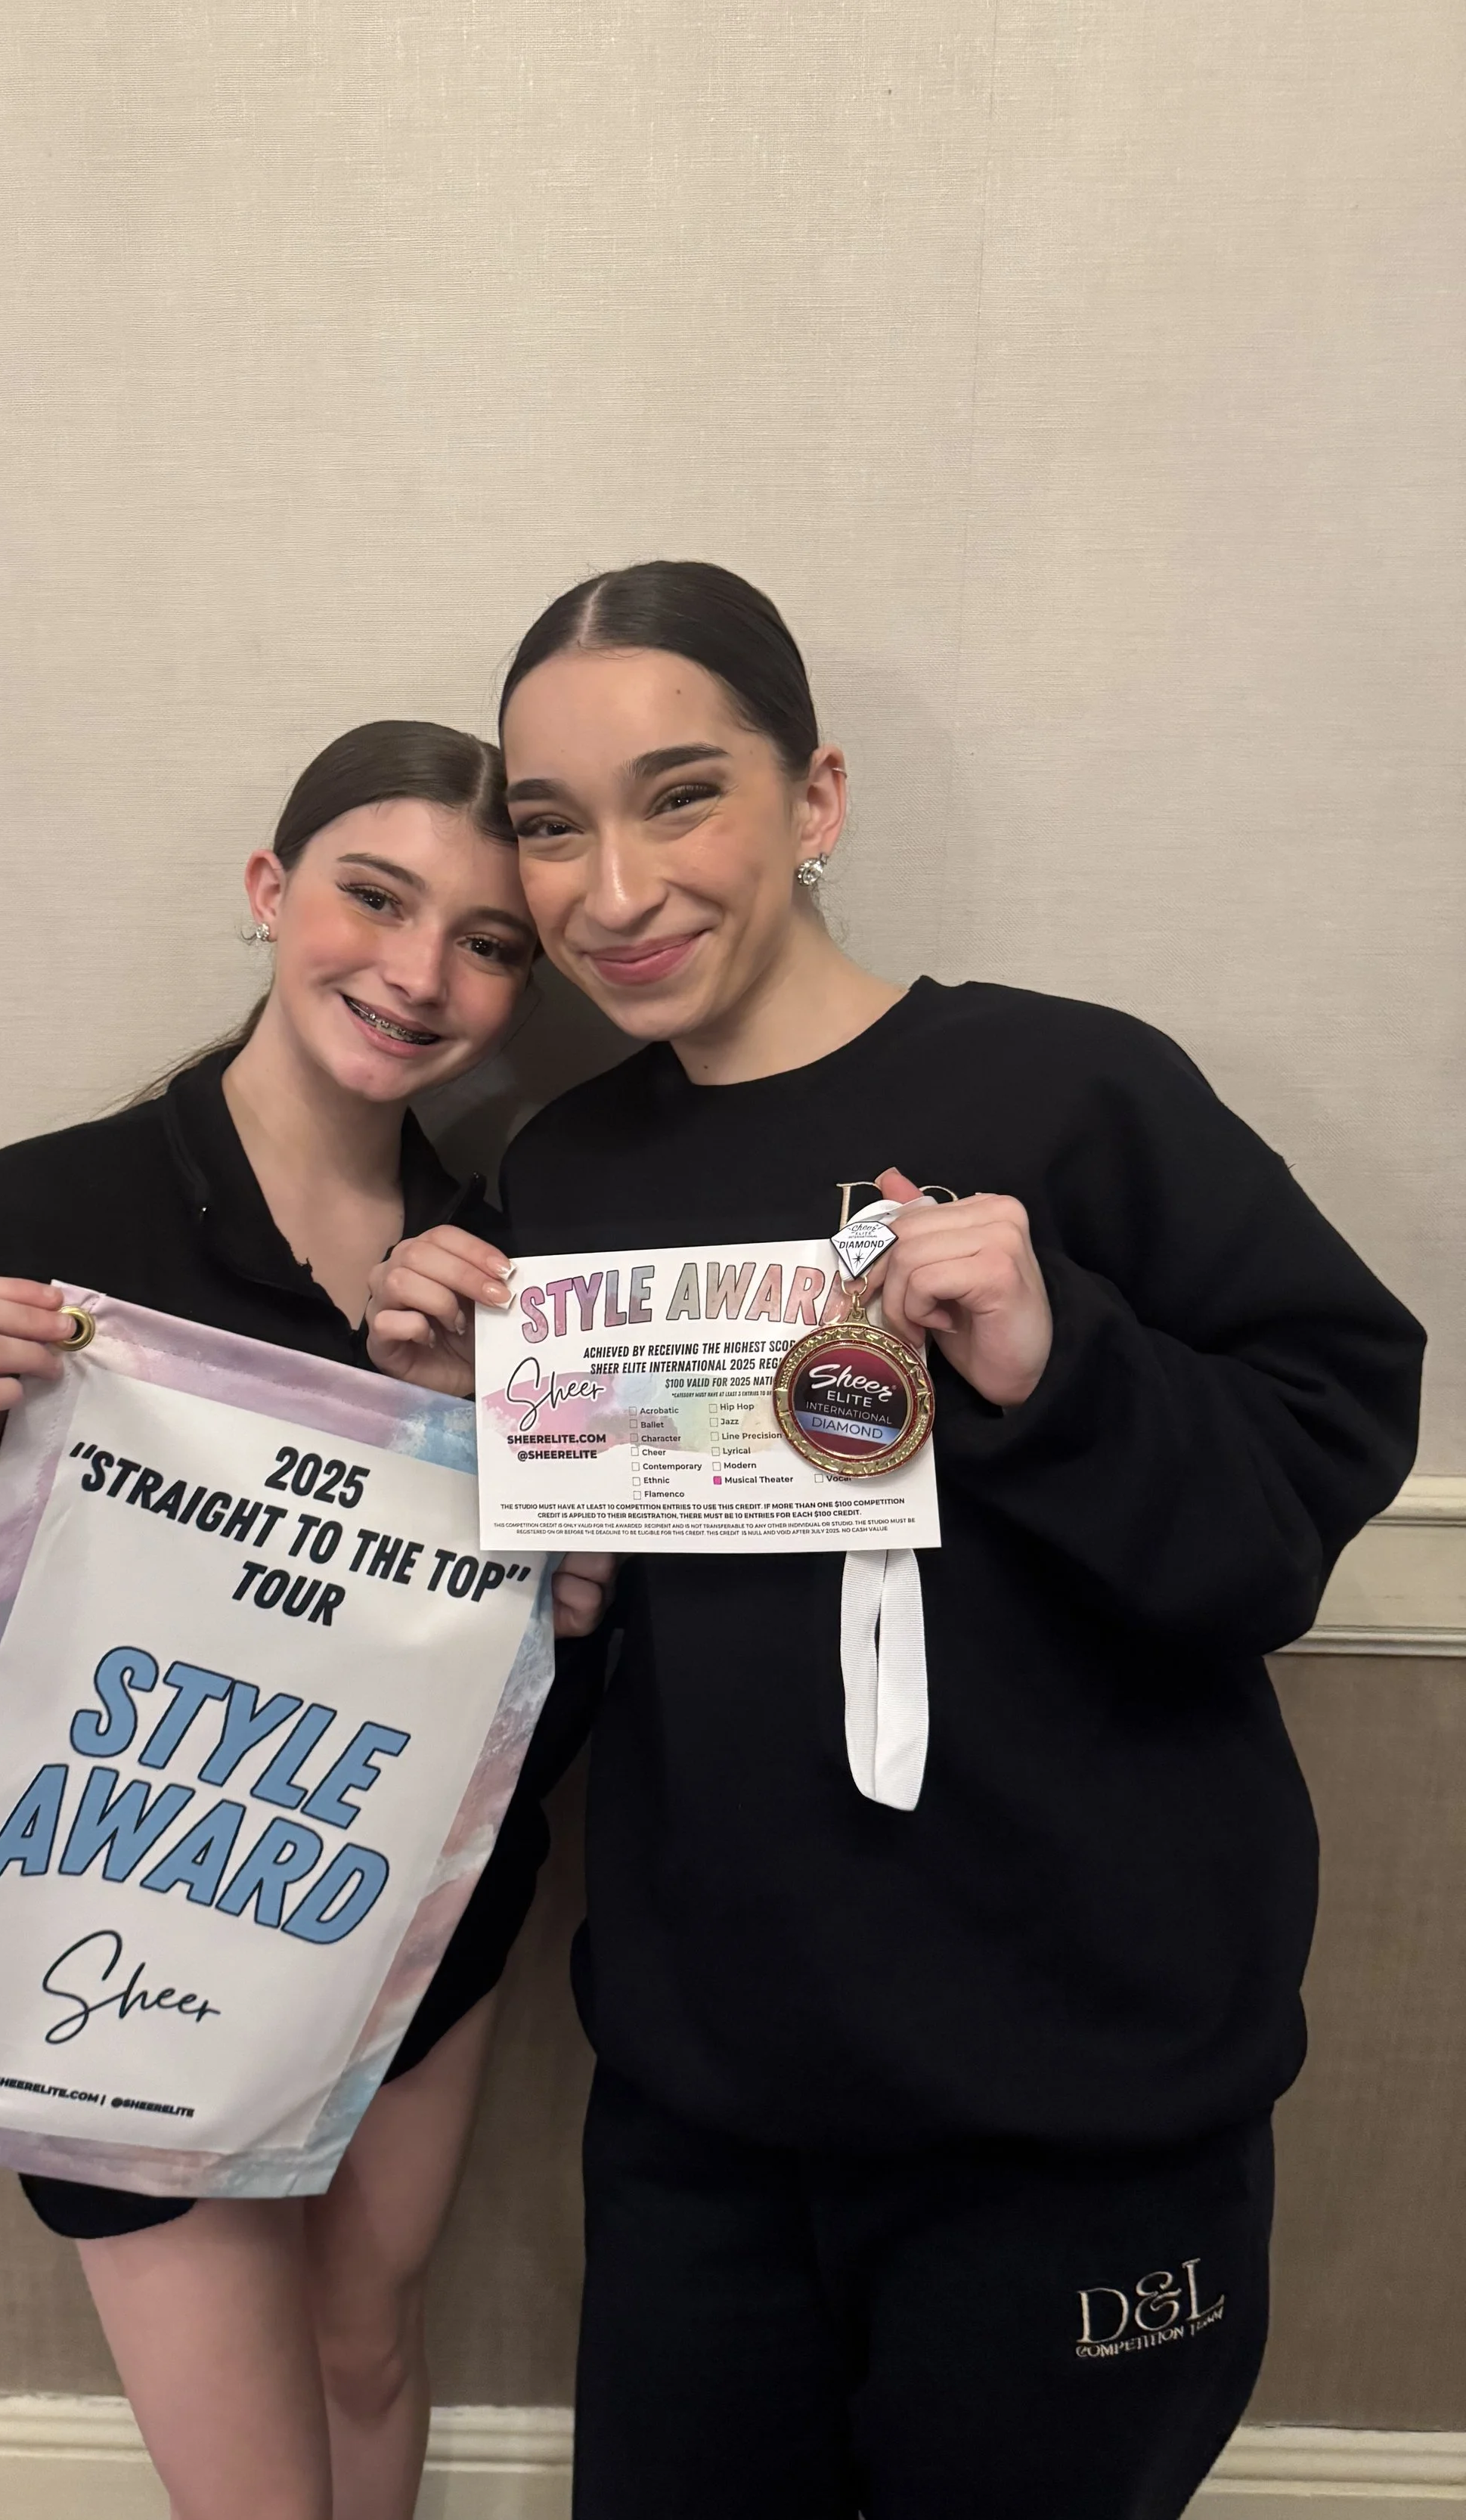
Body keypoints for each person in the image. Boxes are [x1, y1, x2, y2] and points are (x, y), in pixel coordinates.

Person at [364, 565, 1425, 2520]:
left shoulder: (1070, 1090)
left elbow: (1298, 1491)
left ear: (816, 798)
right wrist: (464, 1443)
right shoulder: (570, 1173)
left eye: (679, 794)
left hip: (1074, 2117)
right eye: (550, 821)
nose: (611, 888)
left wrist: (1054, 1358)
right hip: (706, 2110)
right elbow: (584, 1642)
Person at [0, 718, 609, 2520]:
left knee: (367, 2340)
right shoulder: (49, 1218)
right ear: (268, 890)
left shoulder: (501, 1248)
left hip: (399, 1933)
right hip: (108, 1937)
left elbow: (524, 1720)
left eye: (485, 940)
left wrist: (564, 1581)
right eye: (372, 897)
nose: (415, 970)